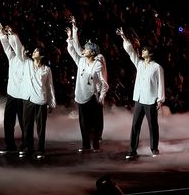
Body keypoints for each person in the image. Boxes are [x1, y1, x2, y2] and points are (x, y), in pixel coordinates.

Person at [116, 27, 165, 159]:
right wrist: (124, 38)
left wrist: (160, 99)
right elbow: (131, 52)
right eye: (142, 50)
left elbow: (161, 83)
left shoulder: (157, 67)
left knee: (152, 126)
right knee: (135, 125)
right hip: (139, 99)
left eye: (144, 50)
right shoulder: (140, 64)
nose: (142, 51)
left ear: (150, 53)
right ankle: (132, 149)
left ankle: (154, 148)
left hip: (150, 100)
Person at [66, 21, 109, 153]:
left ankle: (96, 144)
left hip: (93, 96)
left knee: (96, 121)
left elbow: (103, 82)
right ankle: (85, 145)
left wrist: (102, 95)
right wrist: (71, 35)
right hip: (81, 95)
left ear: (92, 52)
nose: (83, 50)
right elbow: (73, 49)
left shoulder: (98, 63)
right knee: (83, 122)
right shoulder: (81, 61)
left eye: (86, 49)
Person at [14, 43, 56, 159]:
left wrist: (51, 103)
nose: (34, 52)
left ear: (41, 56)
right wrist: (12, 34)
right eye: (34, 50)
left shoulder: (46, 69)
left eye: (36, 51)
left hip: (41, 100)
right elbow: (19, 52)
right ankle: (28, 148)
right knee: (27, 126)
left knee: (41, 127)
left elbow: (49, 86)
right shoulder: (27, 63)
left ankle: (41, 149)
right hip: (27, 99)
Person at [0, 23, 25, 154]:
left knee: (23, 122)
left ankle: (26, 145)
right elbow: (6, 45)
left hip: (22, 95)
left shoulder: (24, 59)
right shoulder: (12, 58)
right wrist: (3, 33)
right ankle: (10, 145)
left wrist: (12, 33)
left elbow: (17, 46)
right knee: (8, 121)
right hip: (11, 95)